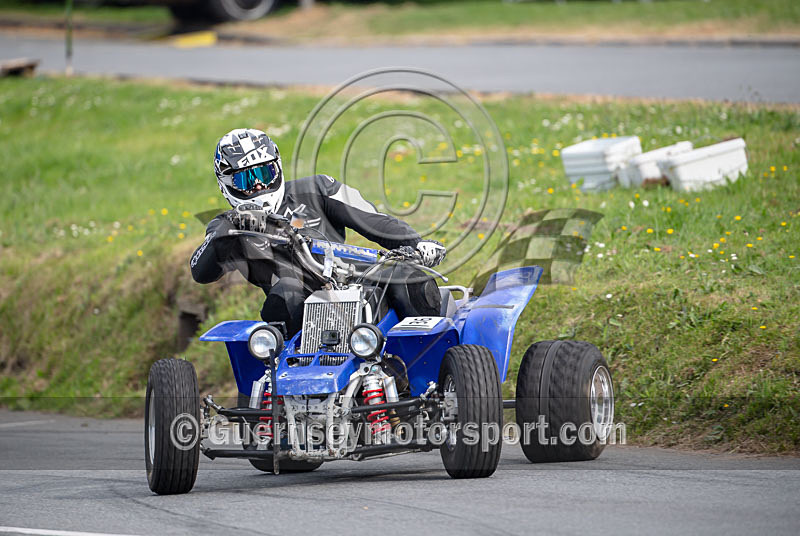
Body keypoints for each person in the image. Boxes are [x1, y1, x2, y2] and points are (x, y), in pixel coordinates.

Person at [190, 128, 446, 336]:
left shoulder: (319, 188)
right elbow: (201, 271)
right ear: (226, 183)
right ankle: (284, 380)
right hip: (298, 301)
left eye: (265, 172)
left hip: (356, 279)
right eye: (246, 179)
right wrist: (227, 233)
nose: (258, 183)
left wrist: (416, 243)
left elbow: (374, 220)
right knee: (284, 297)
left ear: (277, 168)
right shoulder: (228, 224)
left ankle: (430, 366)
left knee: (408, 278)